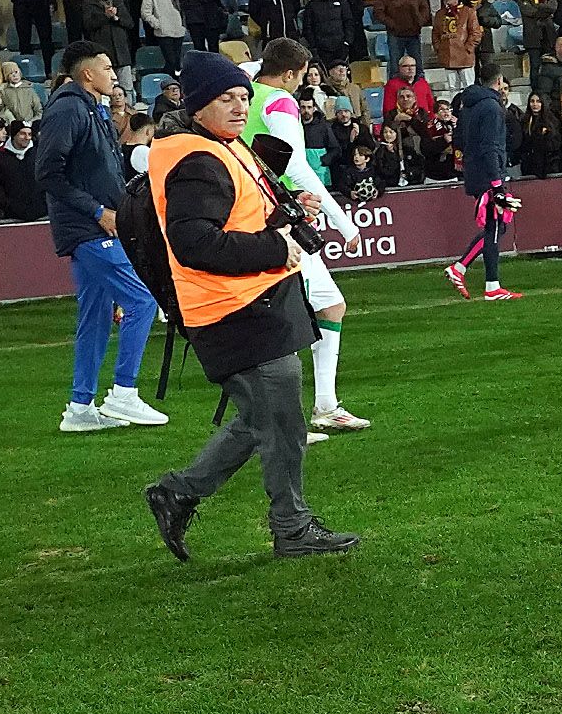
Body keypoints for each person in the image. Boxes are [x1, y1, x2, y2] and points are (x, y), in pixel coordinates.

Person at [142, 51, 358, 562]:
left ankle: (179, 492)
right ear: (199, 106)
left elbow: (241, 211)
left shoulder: (216, 145)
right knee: (281, 420)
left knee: (266, 416)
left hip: (251, 302)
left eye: (243, 96)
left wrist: (284, 211)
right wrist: (277, 247)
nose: (241, 107)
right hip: (233, 307)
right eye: (227, 99)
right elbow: (194, 242)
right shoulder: (197, 160)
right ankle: (291, 526)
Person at [36, 42, 168, 431]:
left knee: (94, 317)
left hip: (97, 225)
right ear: (87, 74)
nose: (114, 74)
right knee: (142, 300)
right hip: (88, 228)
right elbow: (47, 172)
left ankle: (80, 409)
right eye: (107, 67)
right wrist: (97, 211)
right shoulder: (68, 108)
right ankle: (124, 393)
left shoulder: (90, 108)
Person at [252, 39, 370, 431]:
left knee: (330, 306)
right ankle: (282, 421)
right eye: (301, 76)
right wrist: (343, 220)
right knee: (280, 324)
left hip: (263, 213)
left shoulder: (246, 93)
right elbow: (297, 165)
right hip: (283, 218)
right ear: (290, 74)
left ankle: (324, 405)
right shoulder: (280, 102)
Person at [444, 64, 522, 301]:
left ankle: (462, 268)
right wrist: (497, 182)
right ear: (499, 82)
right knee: (496, 226)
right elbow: (490, 146)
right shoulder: (491, 107)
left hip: (476, 171)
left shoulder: (468, 105)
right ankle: (490, 285)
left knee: (496, 226)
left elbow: (460, 138)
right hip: (488, 174)